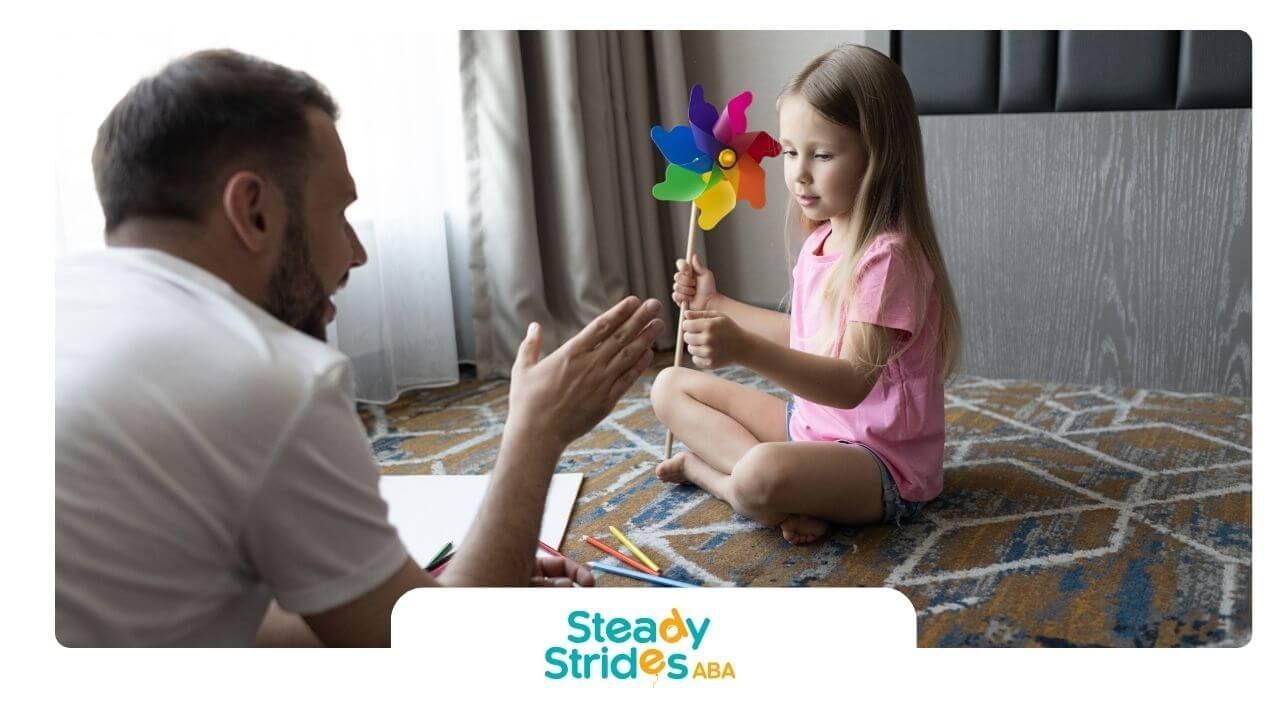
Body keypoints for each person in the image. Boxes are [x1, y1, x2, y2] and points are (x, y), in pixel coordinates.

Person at [55, 49, 664, 647]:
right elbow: (424, 661)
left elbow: (201, 622)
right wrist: (537, 431)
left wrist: (410, 589)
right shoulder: (268, 380)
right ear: (254, 211)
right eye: (342, 211)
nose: (357, 251)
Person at [650, 44, 962, 545]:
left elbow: (849, 385)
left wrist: (743, 350)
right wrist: (717, 303)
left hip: (880, 463)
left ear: (878, 156)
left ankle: (713, 476)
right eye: (790, 152)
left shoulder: (887, 259)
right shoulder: (822, 238)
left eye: (821, 154)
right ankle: (802, 495)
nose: (798, 173)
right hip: (812, 426)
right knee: (669, 385)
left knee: (757, 475)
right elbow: (807, 336)